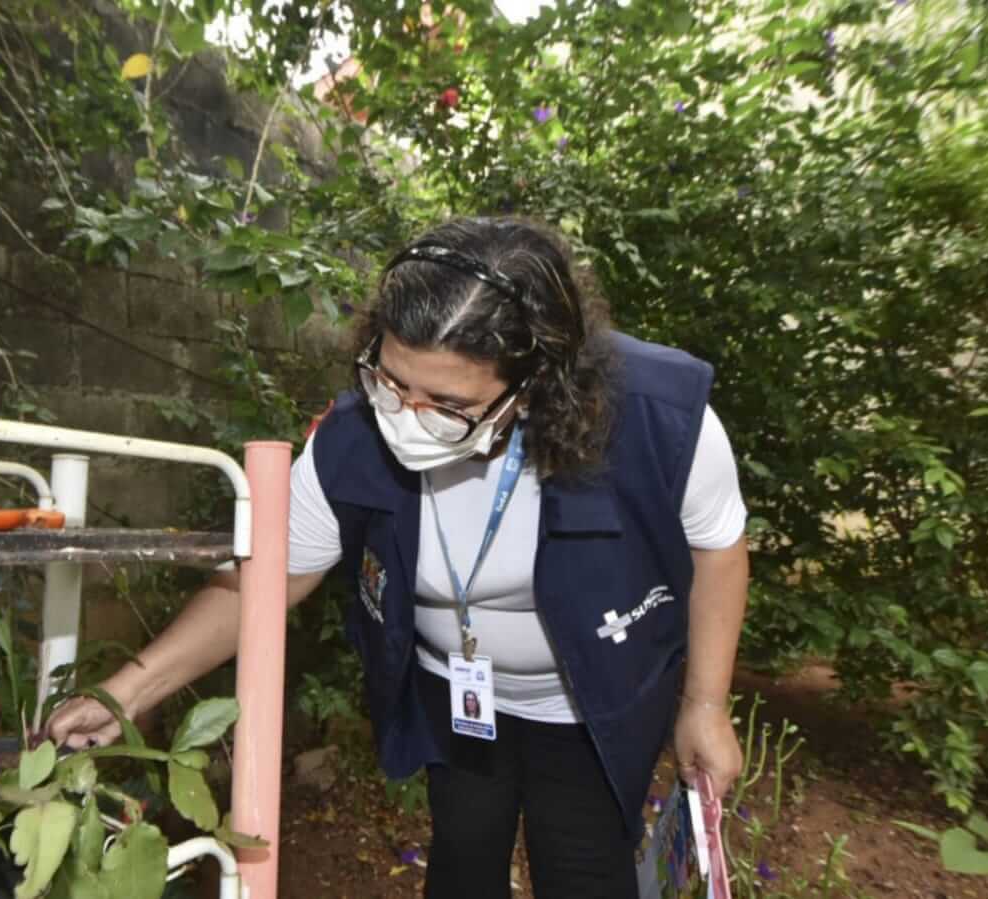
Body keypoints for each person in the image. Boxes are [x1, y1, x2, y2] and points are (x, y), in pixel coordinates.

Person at [48, 216, 750, 898]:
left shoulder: (655, 419)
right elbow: (259, 583)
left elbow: (717, 548)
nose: (405, 418)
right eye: (390, 381)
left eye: (446, 403)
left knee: (586, 869)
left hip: (589, 702)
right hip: (458, 697)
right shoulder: (352, 438)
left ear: (535, 384)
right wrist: (127, 692)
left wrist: (707, 702)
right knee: (462, 859)